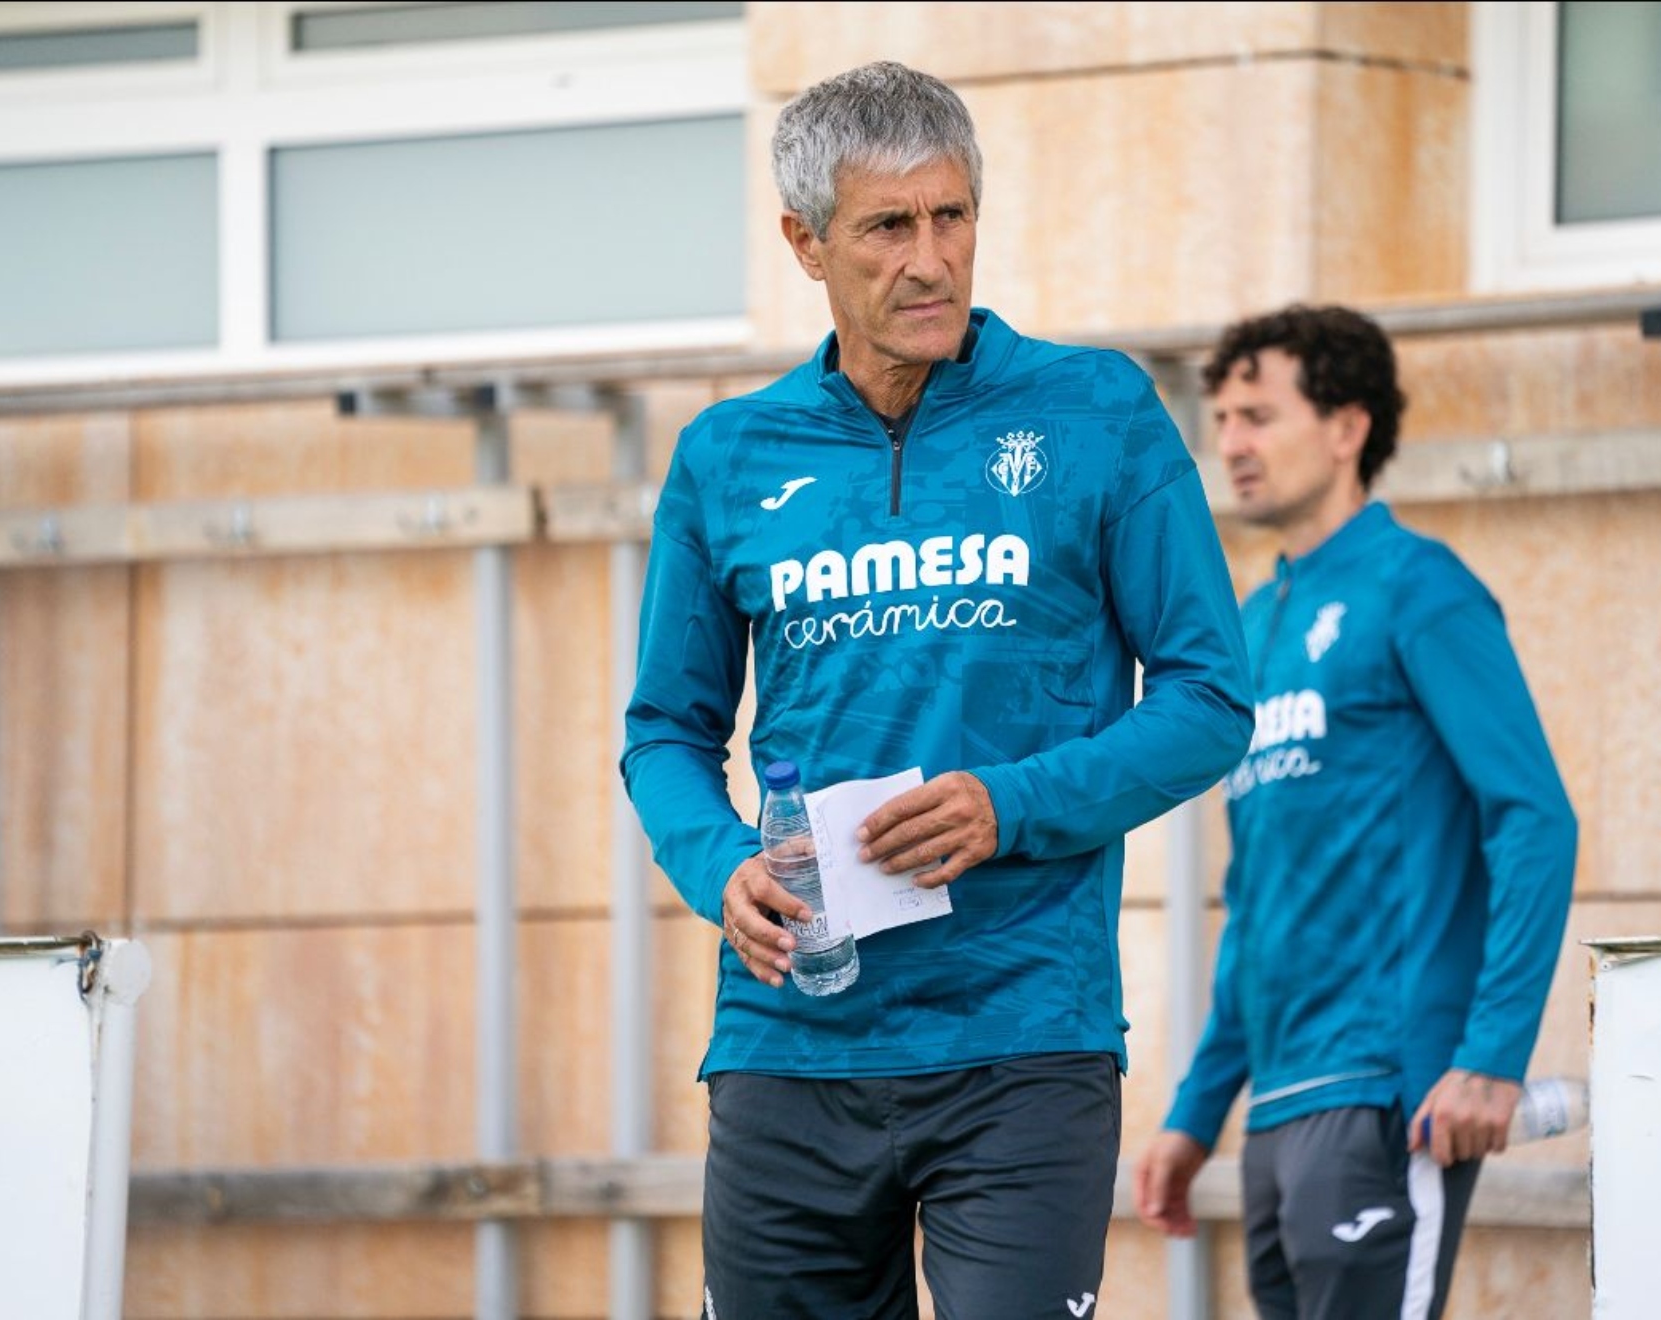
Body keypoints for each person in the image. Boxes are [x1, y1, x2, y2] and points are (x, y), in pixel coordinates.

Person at [620, 60, 1253, 1320]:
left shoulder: (1098, 412)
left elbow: (1209, 699)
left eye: (951, 215)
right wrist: (718, 867)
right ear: (806, 243)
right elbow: (665, 735)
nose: (931, 261)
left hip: (1023, 1035)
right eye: (887, 227)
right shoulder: (726, 455)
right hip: (789, 1038)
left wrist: (1010, 806)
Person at [1134, 305, 1578, 1320]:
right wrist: (1198, 1111)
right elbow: (1257, 902)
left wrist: (1489, 1059)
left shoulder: (1421, 588)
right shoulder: (1252, 625)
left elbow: (1535, 819)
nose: (1230, 443)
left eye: (1258, 416)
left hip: (1388, 1091)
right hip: (1277, 1110)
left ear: (1346, 428)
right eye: (1222, 419)